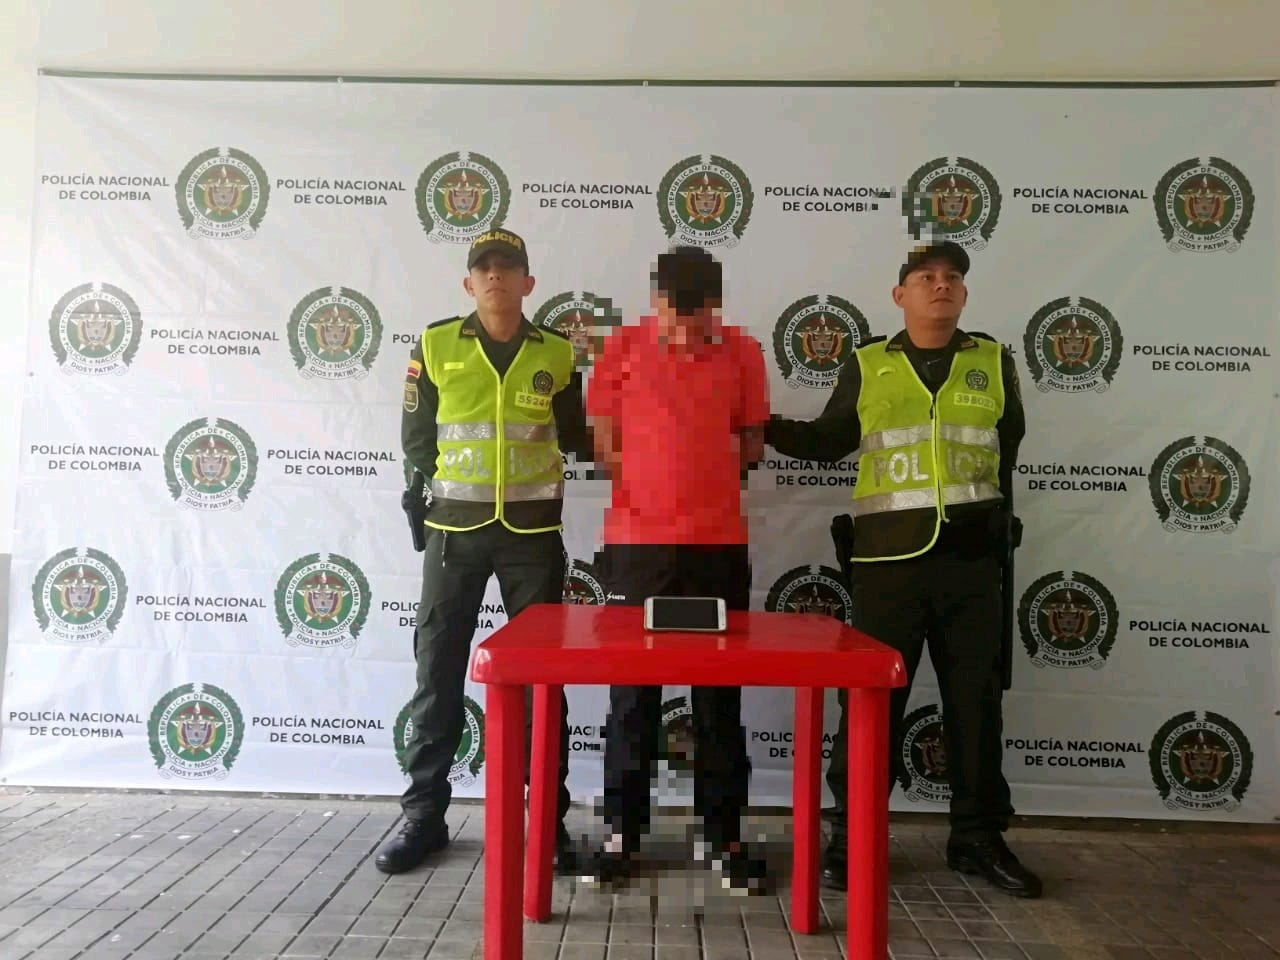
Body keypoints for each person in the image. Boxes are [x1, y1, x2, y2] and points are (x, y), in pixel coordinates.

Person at [764, 241, 1042, 898]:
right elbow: (829, 440)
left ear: (964, 294)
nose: (940, 286)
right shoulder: (868, 364)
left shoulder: (993, 361)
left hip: (972, 565)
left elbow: (1006, 451)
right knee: (871, 705)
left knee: (976, 705)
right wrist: (760, 426)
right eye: (925, 277)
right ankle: (852, 836)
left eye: (952, 278)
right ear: (900, 295)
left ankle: (977, 837)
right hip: (888, 566)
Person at [378, 228, 588, 875]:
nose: (496, 276)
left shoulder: (558, 352)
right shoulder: (437, 343)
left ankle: (545, 823)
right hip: (454, 534)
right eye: (485, 268)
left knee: (541, 682)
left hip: (531, 537)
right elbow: (417, 438)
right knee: (437, 670)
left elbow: (576, 435)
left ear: (528, 283)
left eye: (508, 267)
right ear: (469, 283)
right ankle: (424, 817)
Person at [578, 246, 771, 894]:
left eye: (699, 320)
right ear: (655, 300)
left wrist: (699, 486)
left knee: (718, 699)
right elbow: (604, 442)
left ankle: (723, 837)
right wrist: (655, 490)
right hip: (638, 549)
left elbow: (751, 443)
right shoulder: (622, 349)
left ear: (717, 306)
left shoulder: (743, 351)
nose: (687, 333)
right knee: (633, 697)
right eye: (674, 317)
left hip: (717, 547)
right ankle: (620, 835)